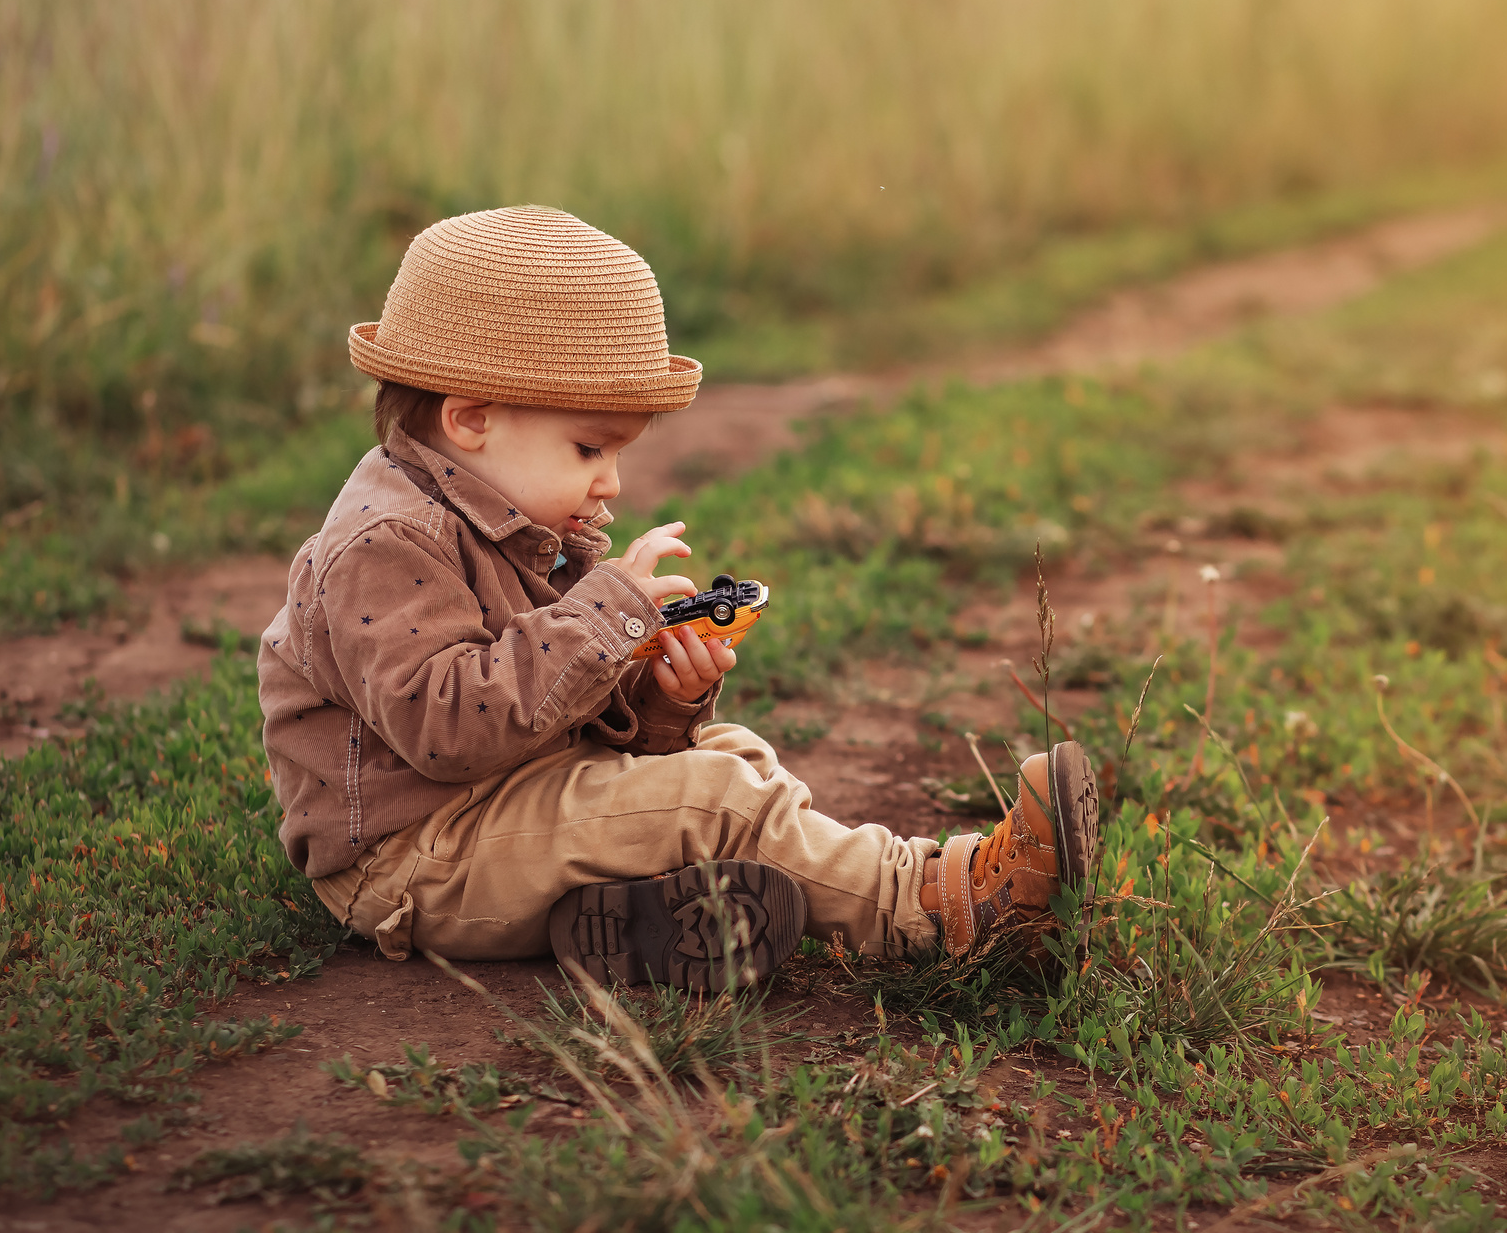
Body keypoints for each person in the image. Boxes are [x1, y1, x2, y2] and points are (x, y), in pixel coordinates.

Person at [255, 206, 1096, 991]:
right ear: (471, 419)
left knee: (728, 752)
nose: (612, 484)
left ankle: (643, 915)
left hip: (506, 807)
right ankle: (948, 913)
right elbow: (450, 732)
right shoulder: (385, 546)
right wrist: (603, 613)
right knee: (714, 797)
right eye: (590, 449)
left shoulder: (517, 519)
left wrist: (661, 703)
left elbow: (554, 710)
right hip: (414, 861)